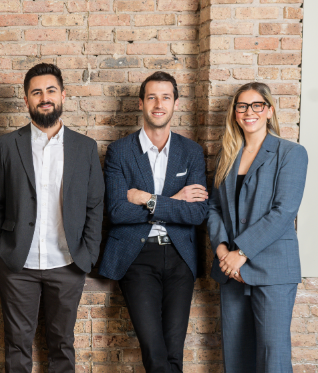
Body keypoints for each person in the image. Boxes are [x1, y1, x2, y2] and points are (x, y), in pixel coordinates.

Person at [0, 63, 104, 373]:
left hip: (68, 263)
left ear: (63, 95)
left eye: (51, 90)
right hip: (17, 264)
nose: (44, 97)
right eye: (36, 92)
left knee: (62, 344)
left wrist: (88, 254)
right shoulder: (8, 145)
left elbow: (95, 205)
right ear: (27, 100)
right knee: (17, 343)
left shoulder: (85, 148)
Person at [98, 71, 209, 373]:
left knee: (174, 353)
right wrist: (176, 200)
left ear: (175, 104)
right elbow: (118, 211)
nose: (158, 104)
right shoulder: (120, 152)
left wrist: (148, 199)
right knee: (155, 352)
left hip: (179, 257)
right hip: (137, 257)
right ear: (141, 103)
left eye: (166, 97)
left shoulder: (191, 153)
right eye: (152, 97)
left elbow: (197, 214)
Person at [207, 82, 307, 373]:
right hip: (231, 271)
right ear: (235, 113)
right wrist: (224, 250)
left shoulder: (291, 153)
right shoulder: (227, 154)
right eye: (242, 106)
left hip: (272, 269)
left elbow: (284, 211)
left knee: (272, 358)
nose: (248, 112)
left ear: (269, 110)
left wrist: (242, 252)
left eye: (256, 105)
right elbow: (214, 207)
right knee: (237, 359)